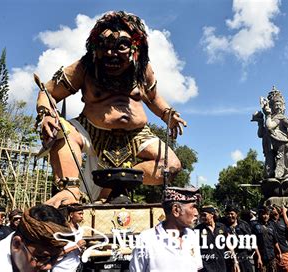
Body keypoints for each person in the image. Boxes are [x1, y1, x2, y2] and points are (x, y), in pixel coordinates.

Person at [36, 11, 187, 204]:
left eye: (120, 47)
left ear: (136, 48)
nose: (110, 54)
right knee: (62, 131)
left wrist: (168, 114)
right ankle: (71, 190)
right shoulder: (84, 67)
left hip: (136, 135)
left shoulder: (142, 69)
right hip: (91, 130)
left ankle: (115, 184)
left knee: (171, 165)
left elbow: (153, 97)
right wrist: (46, 115)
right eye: (104, 47)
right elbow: (47, 92)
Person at [130, 187, 203, 271]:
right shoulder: (146, 240)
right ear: (176, 210)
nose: (196, 213)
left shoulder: (191, 236)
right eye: (192, 207)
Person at [195, 206, 232, 272]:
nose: (202, 217)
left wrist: (235, 262)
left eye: (204, 215)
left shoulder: (222, 227)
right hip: (206, 268)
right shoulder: (198, 230)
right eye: (201, 215)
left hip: (222, 266)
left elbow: (229, 245)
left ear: (212, 214)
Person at [52, 203, 87, 272]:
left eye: (82, 214)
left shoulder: (80, 230)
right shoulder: (63, 230)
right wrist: (76, 246)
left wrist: (82, 249)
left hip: (75, 267)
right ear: (71, 215)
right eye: (79, 214)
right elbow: (57, 253)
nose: (82, 216)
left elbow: (78, 253)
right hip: (61, 268)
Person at [225, 206, 260, 272]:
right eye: (228, 214)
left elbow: (252, 240)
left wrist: (258, 256)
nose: (230, 216)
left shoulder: (244, 225)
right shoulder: (223, 226)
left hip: (244, 258)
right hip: (230, 260)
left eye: (232, 214)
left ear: (236, 214)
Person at [252, 206, 281, 272]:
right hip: (261, 257)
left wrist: (279, 253)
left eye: (267, 214)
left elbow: (275, 241)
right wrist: (259, 257)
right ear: (260, 214)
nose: (266, 216)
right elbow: (254, 244)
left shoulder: (271, 226)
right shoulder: (255, 226)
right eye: (264, 214)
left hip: (271, 257)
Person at [268, 207, 288, 272]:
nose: (272, 210)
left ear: (278, 210)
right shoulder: (268, 222)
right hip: (273, 252)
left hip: (285, 250)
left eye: (273, 208)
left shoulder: (283, 221)